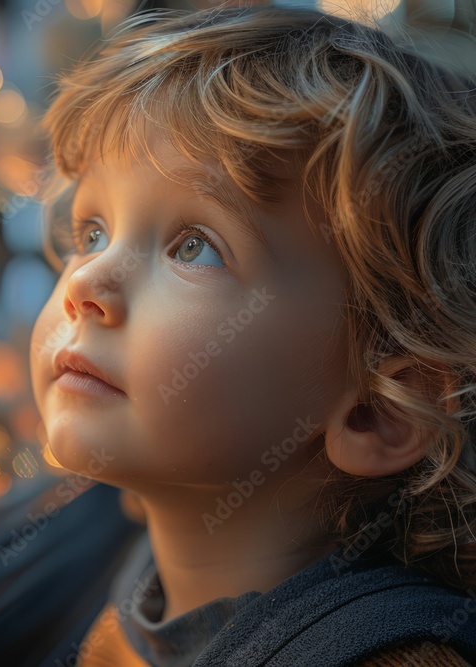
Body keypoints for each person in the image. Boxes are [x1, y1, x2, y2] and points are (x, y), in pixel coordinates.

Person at [30, 5, 476, 665]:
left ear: (378, 408)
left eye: (194, 246)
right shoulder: (143, 589)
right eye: (91, 232)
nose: (86, 282)